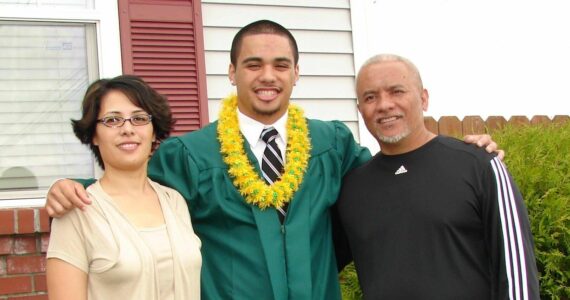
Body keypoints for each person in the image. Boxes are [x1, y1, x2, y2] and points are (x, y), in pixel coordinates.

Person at [45, 21, 501, 300]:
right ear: (232, 72)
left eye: (281, 65)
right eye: (253, 64)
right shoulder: (193, 155)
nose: (268, 76)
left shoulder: (332, 144)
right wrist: (73, 186)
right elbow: (128, 185)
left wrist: (460, 154)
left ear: (297, 73)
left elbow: (393, 175)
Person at [334, 54, 540, 299]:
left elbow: (518, 276)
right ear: (360, 109)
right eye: (370, 97)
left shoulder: (479, 166)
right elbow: (316, 261)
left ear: (423, 99)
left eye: (397, 91)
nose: (384, 104)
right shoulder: (352, 189)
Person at [46, 75, 202, 300]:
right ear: (94, 135)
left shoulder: (174, 201)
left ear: (154, 131)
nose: (128, 129)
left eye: (139, 118)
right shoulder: (77, 211)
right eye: (112, 120)